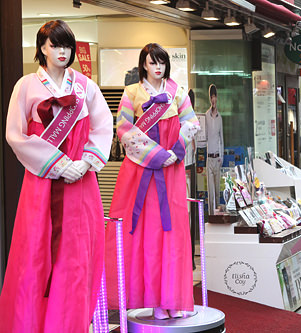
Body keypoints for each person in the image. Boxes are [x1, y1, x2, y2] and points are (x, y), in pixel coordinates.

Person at [0, 20, 113, 332]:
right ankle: (33, 322)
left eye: (66, 45)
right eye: (54, 45)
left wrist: (86, 162)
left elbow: (104, 128)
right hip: (41, 181)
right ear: (42, 48)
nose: (62, 51)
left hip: (81, 182)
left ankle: (72, 321)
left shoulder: (86, 87)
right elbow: (15, 134)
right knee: (35, 251)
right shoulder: (25, 86)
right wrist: (58, 164)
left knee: (77, 255)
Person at [105, 43, 200, 319]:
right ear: (143, 65)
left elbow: (191, 122)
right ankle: (154, 300)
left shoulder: (177, 92)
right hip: (141, 171)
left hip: (171, 168)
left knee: (173, 232)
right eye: (152, 62)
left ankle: (174, 299)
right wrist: (157, 155)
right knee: (147, 233)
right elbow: (123, 129)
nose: (158, 68)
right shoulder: (131, 92)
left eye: (161, 63)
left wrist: (176, 151)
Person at [205, 84, 224, 214]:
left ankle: (217, 217)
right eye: (211, 97)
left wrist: (221, 157)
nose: (213, 100)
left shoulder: (220, 118)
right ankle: (212, 217)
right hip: (209, 158)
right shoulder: (205, 116)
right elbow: (204, 136)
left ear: (217, 98)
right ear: (210, 99)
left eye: (215, 97)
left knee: (217, 191)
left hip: (217, 158)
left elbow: (221, 139)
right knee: (210, 191)